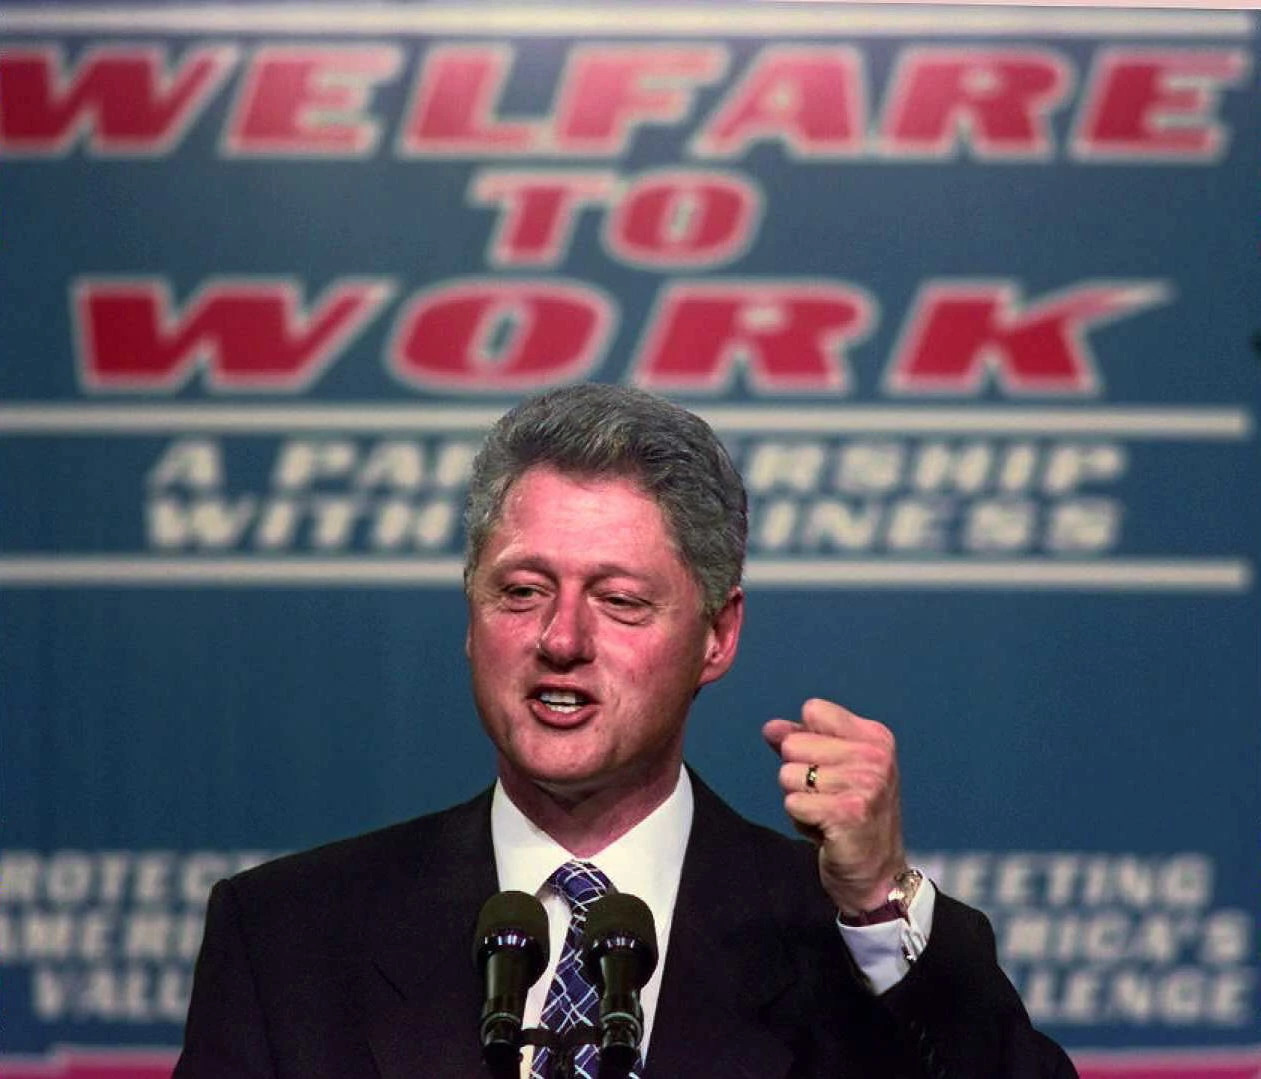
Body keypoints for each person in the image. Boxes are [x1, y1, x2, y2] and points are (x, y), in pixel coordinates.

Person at [175, 384, 1077, 1079]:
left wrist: (878, 903)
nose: (560, 639)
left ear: (716, 635)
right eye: (522, 591)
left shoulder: (831, 940)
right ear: (470, 614)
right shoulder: (286, 937)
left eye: (619, 600)